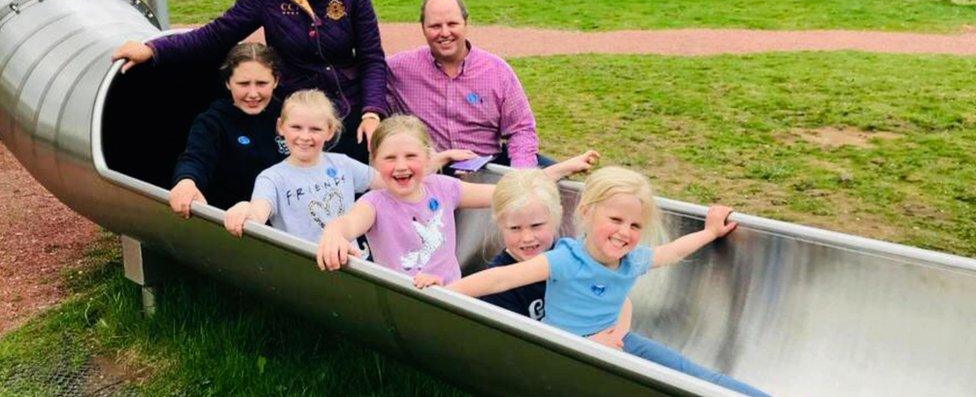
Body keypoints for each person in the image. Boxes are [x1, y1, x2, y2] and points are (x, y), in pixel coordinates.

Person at [423, 166, 769, 396]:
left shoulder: (631, 259)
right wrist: (442, 292)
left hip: (618, 341)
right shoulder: (563, 260)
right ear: (587, 213)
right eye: (616, 219)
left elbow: (672, 252)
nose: (624, 232)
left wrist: (709, 232)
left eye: (634, 226)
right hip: (572, 357)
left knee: (699, 377)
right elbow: (500, 278)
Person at [111, 0, 387, 163]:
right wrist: (155, 49)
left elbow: (371, 57)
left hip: (347, 110)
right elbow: (218, 34)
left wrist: (372, 113)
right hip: (293, 116)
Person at [315, 115, 599, 284]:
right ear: (375, 161)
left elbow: (511, 190)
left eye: (411, 156)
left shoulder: (443, 188)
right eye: (390, 158)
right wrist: (333, 233)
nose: (401, 166)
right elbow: (348, 223)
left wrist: (561, 169)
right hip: (405, 297)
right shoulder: (375, 203)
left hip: (454, 294)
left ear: (427, 157)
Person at [223, 91, 471, 243]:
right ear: (281, 127)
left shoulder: (341, 164)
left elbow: (392, 179)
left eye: (315, 129)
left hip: (354, 258)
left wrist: (437, 160)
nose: (305, 137)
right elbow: (258, 212)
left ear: (329, 131)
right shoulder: (272, 178)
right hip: (305, 265)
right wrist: (245, 208)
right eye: (296, 127)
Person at [478, 169, 634, 349]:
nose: (527, 237)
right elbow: (520, 349)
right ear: (500, 225)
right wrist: (587, 345)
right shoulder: (496, 289)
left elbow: (621, 302)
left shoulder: (574, 256)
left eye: (536, 225)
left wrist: (616, 338)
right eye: (515, 228)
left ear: (557, 216)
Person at [386, 0, 543, 168]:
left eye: (452, 24)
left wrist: (520, 175)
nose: (445, 33)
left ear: (466, 23)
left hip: (487, 168)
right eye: (435, 26)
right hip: (433, 174)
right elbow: (367, 71)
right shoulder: (398, 69)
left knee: (558, 186)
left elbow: (521, 129)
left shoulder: (497, 72)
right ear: (423, 28)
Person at [169, 43, 288, 215]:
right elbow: (196, 158)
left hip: (285, 217)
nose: (253, 93)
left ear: (275, 81)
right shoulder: (212, 122)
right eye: (243, 84)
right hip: (235, 221)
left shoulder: (289, 115)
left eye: (261, 83)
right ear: (228, 83)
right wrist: (186, 181)